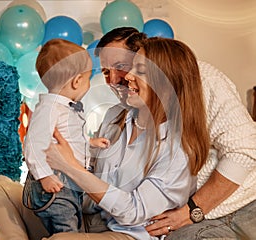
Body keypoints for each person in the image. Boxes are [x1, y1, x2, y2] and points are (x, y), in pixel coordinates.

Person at [95, 27, 256, 240]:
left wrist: (193, 210)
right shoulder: (130, 112)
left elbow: (244, 151)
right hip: (191, 219)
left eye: (122, 67)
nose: (114, 80)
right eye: (106, 72)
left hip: (241, 205)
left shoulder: (202, 80)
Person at [42, 36, 210, 240]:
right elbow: (92, 184)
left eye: (139, 71)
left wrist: (69, 166)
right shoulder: (115, 116)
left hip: (130, 233)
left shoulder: (178, 149)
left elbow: (133, 212)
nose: (127, 76)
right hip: (94, 220)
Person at [23, 38, 110, 235]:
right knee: (67, 230)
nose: (89, 84)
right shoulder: (49, 108)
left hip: (69, 183)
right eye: (88, 79)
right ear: (77, 81)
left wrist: (90, 143)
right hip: (56, 183)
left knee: (72, 224)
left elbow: (69, 140)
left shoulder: (64, 108)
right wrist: (45, 176)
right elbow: (33, 145)